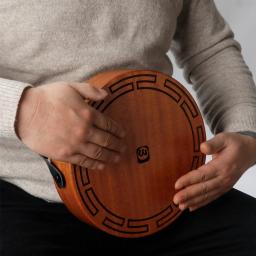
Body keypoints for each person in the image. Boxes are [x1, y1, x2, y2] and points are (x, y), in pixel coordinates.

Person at [0, 0, 256, 255]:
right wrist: (25, 111)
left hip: (168, 192)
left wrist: (245, 130)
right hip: (25, 199)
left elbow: (210, 50)